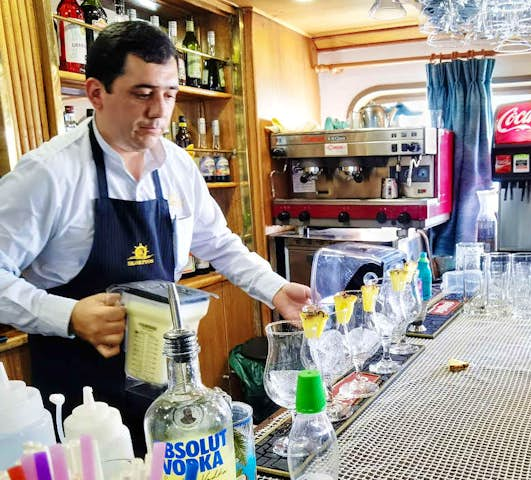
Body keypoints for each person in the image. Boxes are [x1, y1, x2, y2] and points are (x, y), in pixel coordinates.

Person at [0, 21, 310, 453]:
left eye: (169, 94)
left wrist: (275, 289)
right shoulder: (48, 174)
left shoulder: (178, 167)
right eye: (142, 93)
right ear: (95, 94)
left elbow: (217, 242)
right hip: (81, 395)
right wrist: (67, 315)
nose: (159, 110)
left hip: (169, 379)